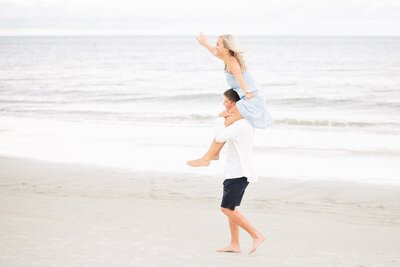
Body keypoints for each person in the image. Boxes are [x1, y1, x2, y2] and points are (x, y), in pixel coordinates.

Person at [187, 33, 273, 167]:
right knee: (225, 119)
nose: (216, 46)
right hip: (245, 97)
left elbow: (240, 78)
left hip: (252, 98)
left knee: (227, 120)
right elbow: (214, 52)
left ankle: (208, 157)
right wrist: (205, 44)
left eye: (218, 44)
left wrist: (247, 92)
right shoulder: (226, 59)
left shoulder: (232, 61)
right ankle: (212, 155)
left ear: (226, 48)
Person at [212, 88, 266, 254]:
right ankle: (234, 244)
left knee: (226, 209)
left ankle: (256, 235)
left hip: (238, 174)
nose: (224, 104)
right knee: (232, 209)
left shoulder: (241, 124)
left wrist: (220, 119)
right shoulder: (241, 122)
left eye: (226, 101)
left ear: (234, 103)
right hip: (236, 172)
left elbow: (219, 137)